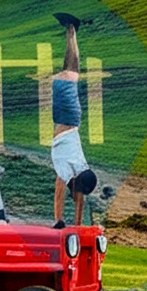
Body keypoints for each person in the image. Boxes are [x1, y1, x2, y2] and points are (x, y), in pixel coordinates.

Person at [50, 13, 98, 229]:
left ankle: (70, 30)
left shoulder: (74, 172)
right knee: (69, 76)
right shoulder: (70, 169)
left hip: (65, 119)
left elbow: (75, 200)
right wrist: (60, 220)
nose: (77, 196)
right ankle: (72, 28)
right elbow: (64, 196)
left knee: (67, 76)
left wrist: (72, 224)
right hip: (67, 119)